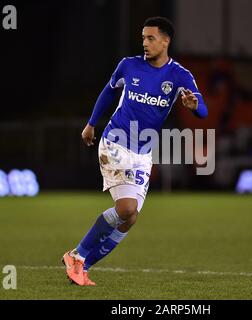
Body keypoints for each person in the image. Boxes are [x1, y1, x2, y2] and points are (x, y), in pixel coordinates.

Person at [62, 16, 208, 286]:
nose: (145, 43)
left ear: (166, 41)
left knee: (130, 219)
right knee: (126, 208)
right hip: (115, 142)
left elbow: (203, 110)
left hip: (142, 153)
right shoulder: (128, 66)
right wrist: (91, 124)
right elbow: (108, 92)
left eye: (151, 38)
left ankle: (82, 266)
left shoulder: (180, 75)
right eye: (143, 37)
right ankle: (77, 255)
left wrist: (192, 105)